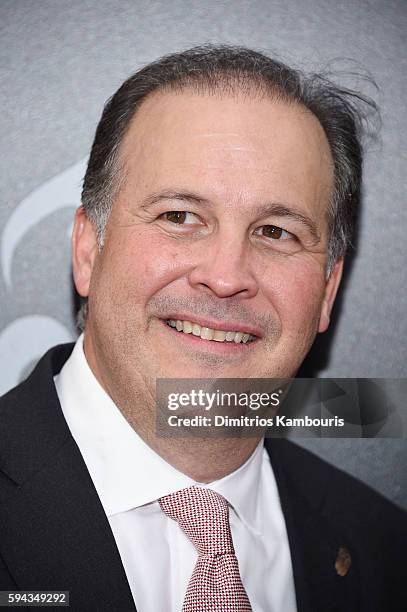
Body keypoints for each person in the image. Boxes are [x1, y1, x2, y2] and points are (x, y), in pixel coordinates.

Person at [0, 45, 405, 611]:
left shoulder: (385, 552)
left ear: (328, 291)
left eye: (276, 231)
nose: (225, 277)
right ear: (89, 248)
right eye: (180, 217)